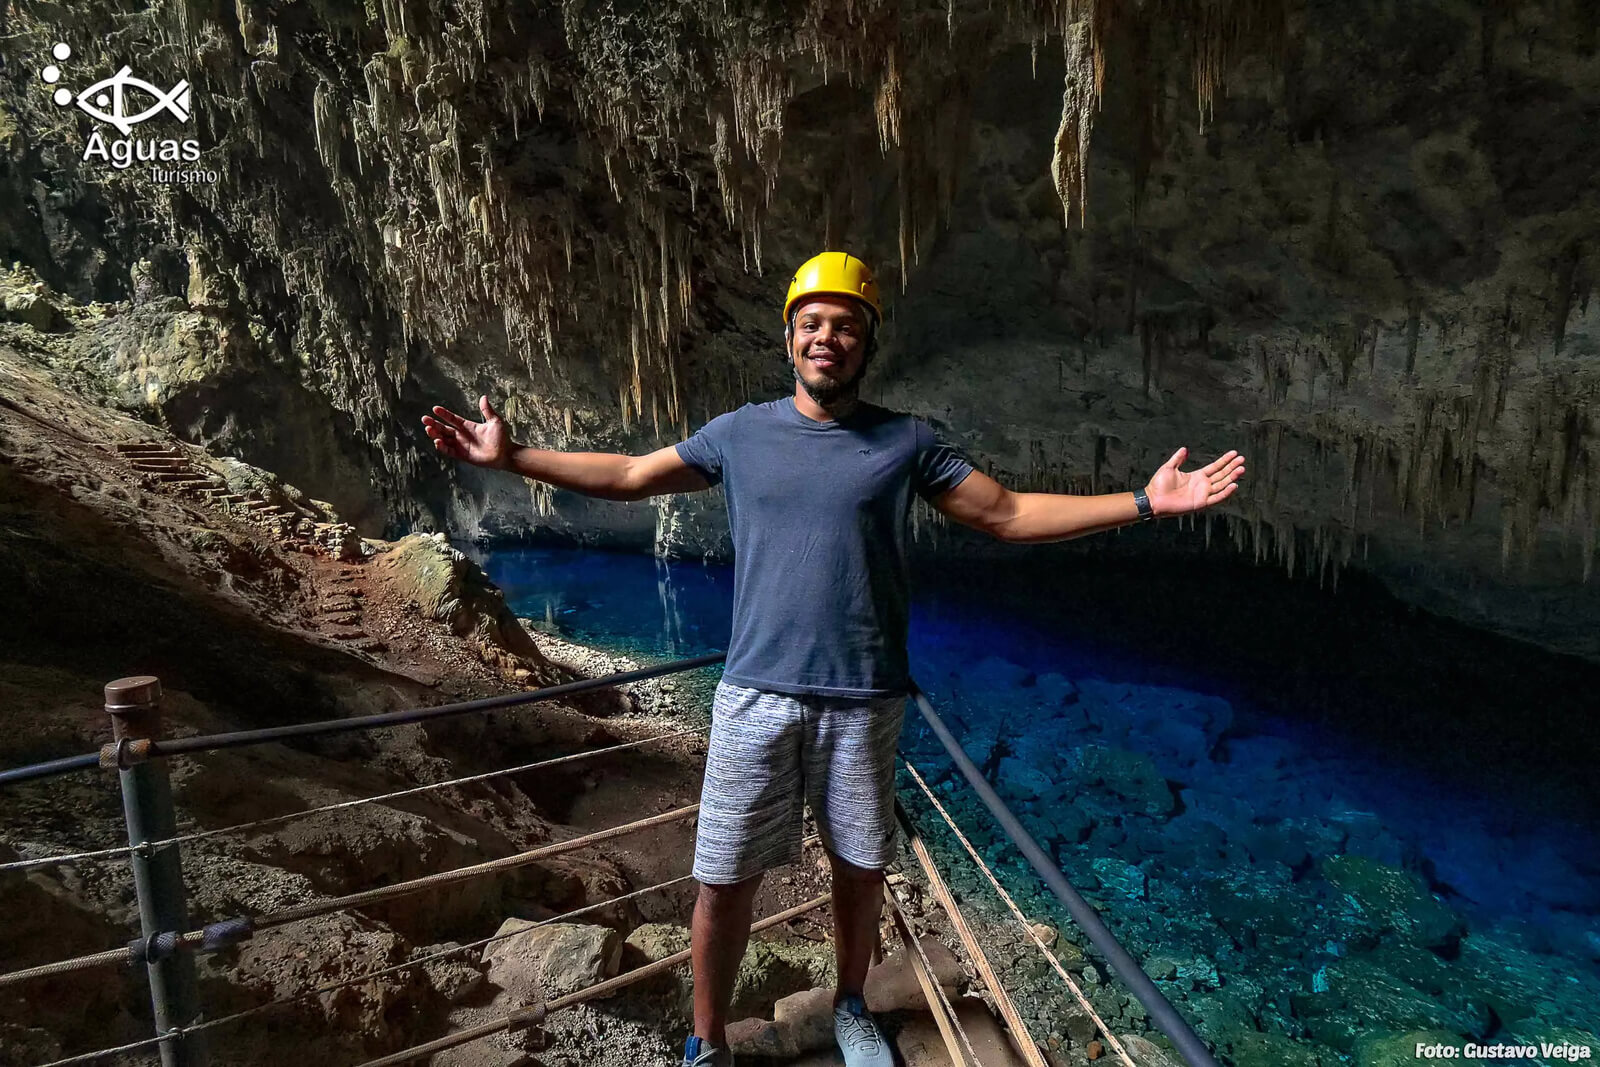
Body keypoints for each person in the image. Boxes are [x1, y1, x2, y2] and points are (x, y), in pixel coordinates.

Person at [422, 251, 1246, 1066]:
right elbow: (633, 472)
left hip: (864, 698)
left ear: (865, 344)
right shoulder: (740, 433)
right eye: (812, 323)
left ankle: (852, 1006)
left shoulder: (905, 443)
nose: (828, 338)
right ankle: (705, 1042)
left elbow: (1009, 513)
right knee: (724, 877)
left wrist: (1144, 501)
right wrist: (513, 456)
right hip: (755, 693)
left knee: (860, 867)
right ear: (789, 339)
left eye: (845, 326)